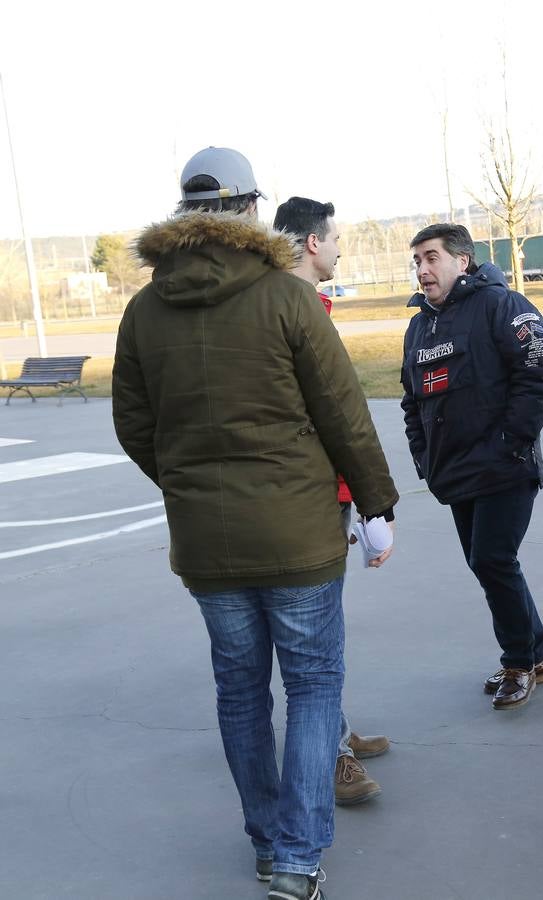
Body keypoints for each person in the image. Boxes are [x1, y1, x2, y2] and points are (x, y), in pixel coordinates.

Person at [113, 147, 398, 900]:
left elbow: (134, 425)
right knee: (311, 687)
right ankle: (299, 859)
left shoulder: (144, 310)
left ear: (182, 214)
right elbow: (342, 412)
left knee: (240, 693)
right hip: (299, 533)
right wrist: (375, 504)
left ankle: (270, 843)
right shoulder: (285, 297)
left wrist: (186, 486)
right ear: (248, 211)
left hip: (206, 543)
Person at [401, 224, 543, 710]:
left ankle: (519, 662)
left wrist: (512, 442)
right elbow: (412, 401)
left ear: (461, 261)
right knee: (489, 562)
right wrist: (424, 456)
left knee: (491, 559)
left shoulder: (501, 305)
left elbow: (537, 372)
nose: (422, 270)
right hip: (455, 471)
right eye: (418, 262)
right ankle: (539, 653)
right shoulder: (420, 323)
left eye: (431, 258)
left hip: (504, 467)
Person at [273, 196, 391, 808]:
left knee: (322, 634)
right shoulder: (290, 311)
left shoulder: (303, 305)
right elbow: (333, 420)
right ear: (312, 243)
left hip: (319, 496)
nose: (341, 247)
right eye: (337, 238)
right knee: (312, 646)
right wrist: (369, 505)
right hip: (303, 500)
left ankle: (337, 733)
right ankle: (332, 759)